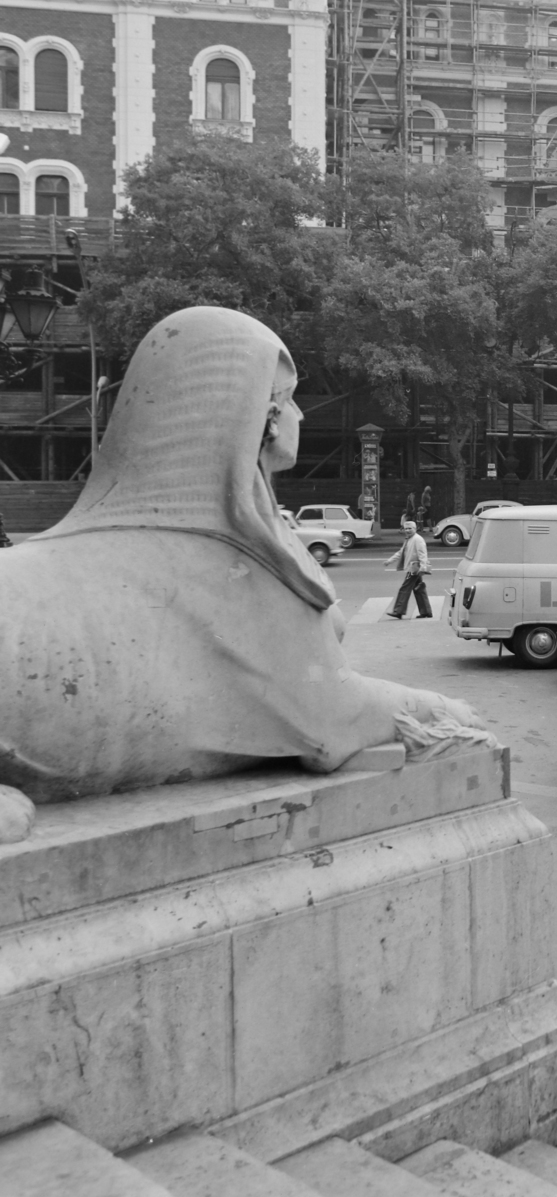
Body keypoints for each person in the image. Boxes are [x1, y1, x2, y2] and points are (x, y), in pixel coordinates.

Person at [0, 305, 492, 819]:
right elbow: (331, 720)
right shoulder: (219, 569)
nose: (301, 415)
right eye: (289, 400)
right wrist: (436, 709)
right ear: (263, 420)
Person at [385, 517, 433, 619]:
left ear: (415, 529)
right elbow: (401, 553)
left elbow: (423, 554)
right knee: (419, 589)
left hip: (415, 569)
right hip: (413, 568)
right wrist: (390, 561)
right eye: (406, 529)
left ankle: (398, 611)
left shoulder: (418, 539)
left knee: (404, 588)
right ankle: (426, 612)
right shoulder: (409, 539)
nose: (407, 530)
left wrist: (423, 568)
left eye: (410, 528)